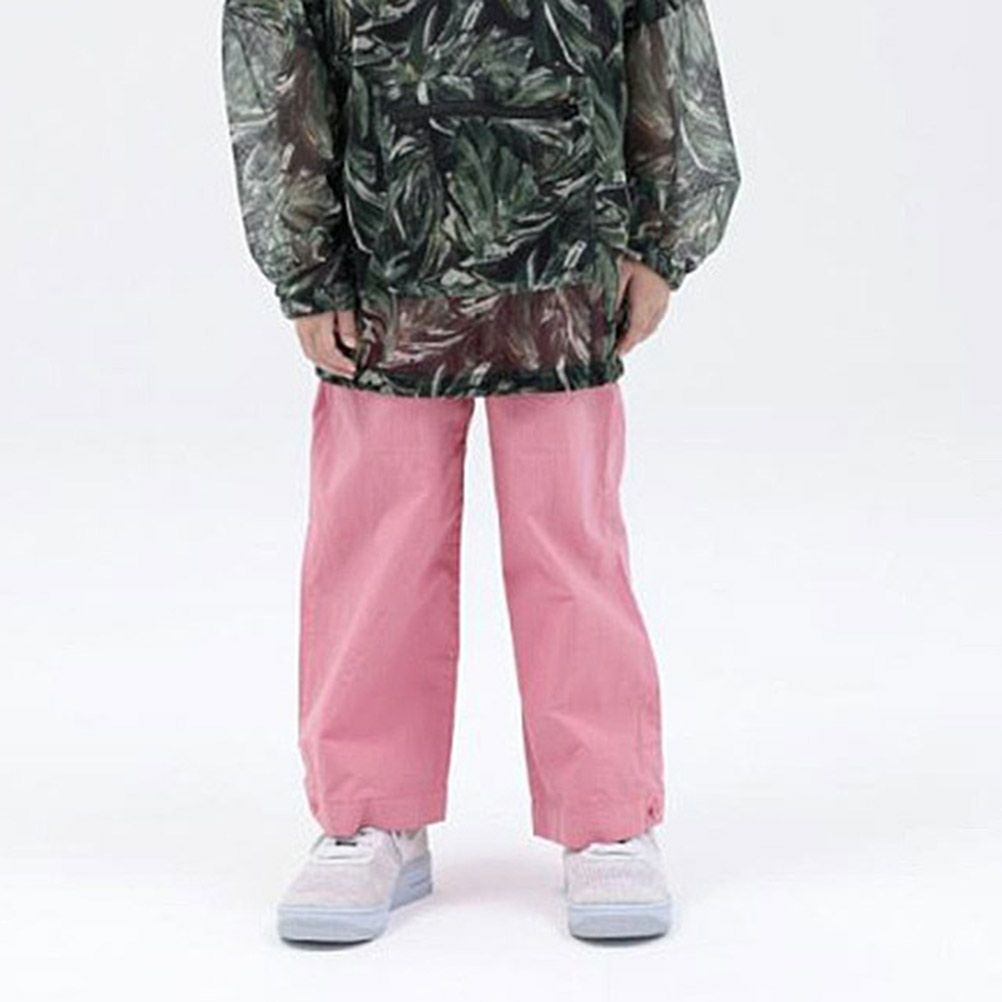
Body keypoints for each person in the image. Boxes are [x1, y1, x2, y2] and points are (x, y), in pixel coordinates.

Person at [222, 0, 739, 942]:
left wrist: (662, 240)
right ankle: (368, 813)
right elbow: (276, 39)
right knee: (376, 546)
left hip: (567, 255)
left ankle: (607, 814)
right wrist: (305, 263)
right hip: (385, 262)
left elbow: (661, 30)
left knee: (571, 541)